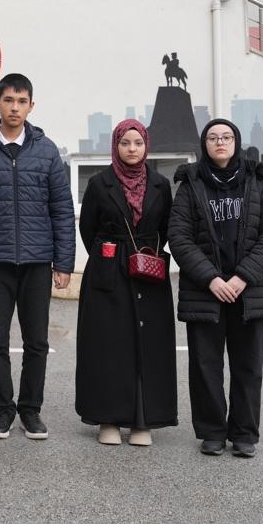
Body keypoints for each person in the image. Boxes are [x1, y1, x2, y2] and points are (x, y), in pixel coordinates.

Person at [0, 73, 75, 440]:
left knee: (37, 341)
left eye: (22, 101)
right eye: (8, 100)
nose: (15, 108)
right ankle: (4, 409)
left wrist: (64, 262)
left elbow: (62, 209)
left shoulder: (46, 150)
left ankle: (31, 410)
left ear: (31, 106)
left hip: (37, 262)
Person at [169, 118, 263, 459]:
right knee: (205, 366)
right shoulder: (190, 184)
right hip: (205, 291)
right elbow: (179, 237)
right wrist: (212, 279)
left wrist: (242, 277)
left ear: (236, 142)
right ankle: (212, 432)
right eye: (213, 137)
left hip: (249, 290)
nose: (220, 142)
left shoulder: (258, 182)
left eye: (227, 137)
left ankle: (244, 433)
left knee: (248, 365)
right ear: (204, 144)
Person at [75, 119, 176, 447]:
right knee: (108, 344)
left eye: (138, 143)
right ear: (115, 146)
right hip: (108, 268)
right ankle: (108, 419)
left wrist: (146, 251)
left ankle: (143, 421)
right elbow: (88, 229)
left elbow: (167, 227)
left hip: (149, 267)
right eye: (125, 143)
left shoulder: (160, 184)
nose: (132, 149)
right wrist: (111, 254)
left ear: (146, 146)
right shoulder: (99, 183)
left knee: (149, 345)